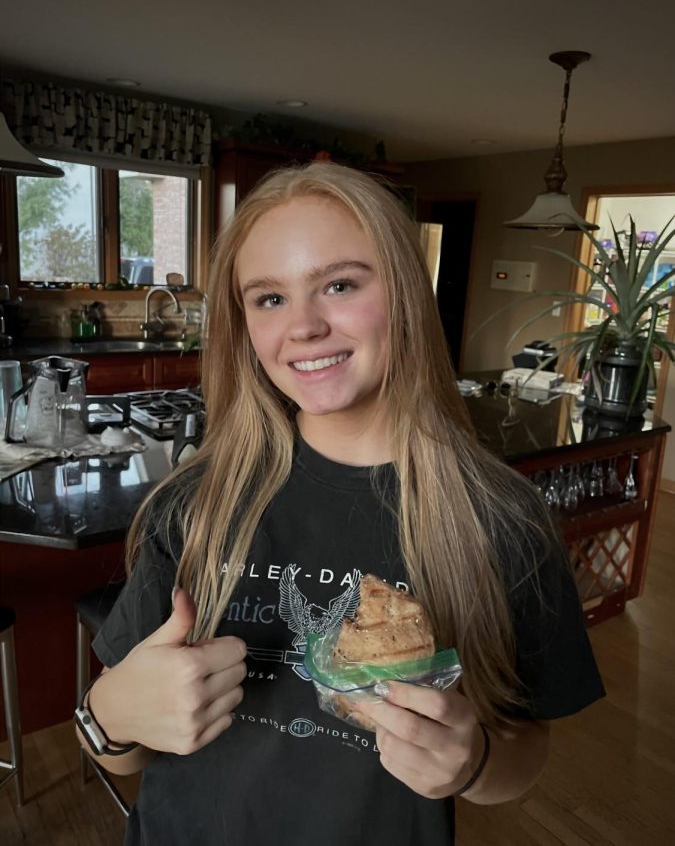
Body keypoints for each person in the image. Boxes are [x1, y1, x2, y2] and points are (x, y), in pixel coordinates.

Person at [78, 161, 604, 845]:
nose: (302, 326)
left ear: (406, 296)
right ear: (244, 327)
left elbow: (522, 755)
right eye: (268, 298)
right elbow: (115, 747)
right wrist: (108, 717)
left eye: (338, 285)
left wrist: (469, 762)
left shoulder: (501, 519)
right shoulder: (195, 503)